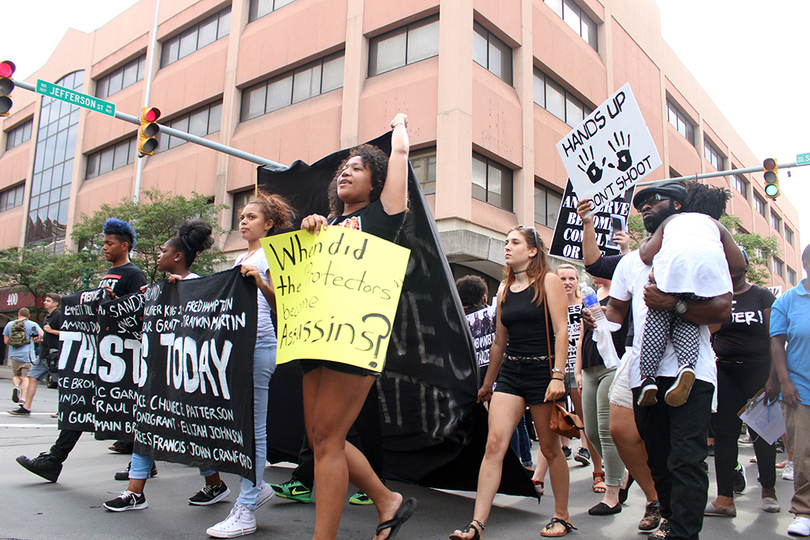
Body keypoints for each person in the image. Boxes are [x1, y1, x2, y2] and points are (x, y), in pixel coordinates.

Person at [298, 113, 416, 540]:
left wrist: (399, 125)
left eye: (358, 167)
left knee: (329, 438)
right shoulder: (322, 226)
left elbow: (400, 152)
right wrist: (311, 230)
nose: (346, 172)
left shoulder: (385, 215)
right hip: (314, 338)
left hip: (355, 338)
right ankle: (387, 501)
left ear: (376, 181)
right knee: (320, 438)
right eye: (343, 169)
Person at [603, 181, 732, 540]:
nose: (644, 207)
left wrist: (674, 305)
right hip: (645, 375)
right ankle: (672, 519)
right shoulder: (631, 262)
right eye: (640, 204)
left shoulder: (704, 249)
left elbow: (721, 314)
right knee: (658, 457)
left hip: (694, 372)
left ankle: (684, 533)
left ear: (679, 207)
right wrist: (596, 318)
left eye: (653, 200)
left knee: (686, 458)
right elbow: (616, 313)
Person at [450, 225, 574, 539]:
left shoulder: (548, 281)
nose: (507, 247)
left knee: (549, 448)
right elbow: (498, 343)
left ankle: (561, 515)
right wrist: (487, 384)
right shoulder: (504, 288)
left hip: (543, 373)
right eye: (506, 242)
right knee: (494, 446)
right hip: (510, 373)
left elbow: (562, 330)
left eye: (515, 242)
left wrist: (558, 375)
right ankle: (476, 524)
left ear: (532, 250)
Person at [16, 218, 146, 482]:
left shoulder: (134, 274)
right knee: (81, 404)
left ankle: (141, 461)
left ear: (125, 245)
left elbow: (137, 313)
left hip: (119, 357)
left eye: (109, 243)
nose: (104, 248)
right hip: (98, 354)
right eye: (103, 243)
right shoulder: (108, 273)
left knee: (124, 406)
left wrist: (113, 302)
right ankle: (54, 460)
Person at [102, 219, 217, 511]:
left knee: (192, 434)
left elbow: (206, 330)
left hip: (186, 376)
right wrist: (127, 304)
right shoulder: (156, 289)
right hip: (157, 373)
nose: (159, 256)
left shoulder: (198, 285)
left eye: (163, 251)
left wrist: (180, 296)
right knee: (148, 426)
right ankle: (135, 492)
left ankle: (215, 484)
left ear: (177, 256)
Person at [201, 194, 294, 537]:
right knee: (241, 424)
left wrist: (260, 282)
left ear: (268, 223)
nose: (243, 222)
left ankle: (247, 507)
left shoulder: (275, 255)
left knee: (253, 426)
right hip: (239, 346)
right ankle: (257, 487)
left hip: (261, 343)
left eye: (251, 216)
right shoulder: (243, 255)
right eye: (241, 216)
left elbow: (285, 303)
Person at [576, 196, 661, 533]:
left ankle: (618, 493)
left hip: (629, 364)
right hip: (618, 362)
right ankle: (638, 485)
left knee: (629, 433)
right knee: (600, 431)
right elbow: (595, 263)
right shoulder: (623, 269)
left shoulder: (661, 259)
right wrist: (587, 224)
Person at [636, 187, 744, 408]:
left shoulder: (672, 220)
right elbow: (740, 264)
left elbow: (648, 255)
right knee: (689, 318)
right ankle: (687, 366)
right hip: (703, 276)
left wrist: (641, 243)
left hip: (671, 273)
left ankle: (648, 378)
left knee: (657, 321)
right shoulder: (717, 225)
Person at [704, 248, 779, 517]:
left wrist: (774, 377)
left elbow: (775, 338)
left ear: (746, 267)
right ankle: (725, 498)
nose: (730, 269)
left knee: (762, 433)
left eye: (735, 264)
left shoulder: (762, 296)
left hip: (759, 373)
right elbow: (707, 332)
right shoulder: (716, 298)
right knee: (724, 435)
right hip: (725, 372)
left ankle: (768, 490)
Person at [576, 275, 629, 515]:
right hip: (589, 367)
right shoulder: (588, 296)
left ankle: (612, 493)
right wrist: (577, 370)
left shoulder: (622, 296)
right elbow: (581, 337)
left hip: (612, 365)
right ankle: (624, 470)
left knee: (607, 431)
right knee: (591, 431)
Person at [767, 244, 810, 537]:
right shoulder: (790, 300)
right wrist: (784, 381)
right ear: (806, 264)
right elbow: (777, 342)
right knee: (804, 453)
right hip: (800, 389)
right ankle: (805, 511)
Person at [13, 294, 61, 416]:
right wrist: (39, 340)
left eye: (48, 301)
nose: (45, 302)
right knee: (32, 377)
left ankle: (63, 410)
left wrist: (51, 331)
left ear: (55, 304)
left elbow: (68, 333)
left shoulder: (59, 316)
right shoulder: (47, 317)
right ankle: (26, 407)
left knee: (61, 383)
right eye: (45, 300)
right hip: (44, 353)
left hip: (54, 355)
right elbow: (48, 336)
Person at [5, 307, 44, 414]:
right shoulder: (33, 324)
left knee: (17, 375)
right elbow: (42, 335)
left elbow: (6, 341)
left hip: (14, 355)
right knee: (26, 377)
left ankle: (16, 386)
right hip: (28, 355)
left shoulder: (10, 324)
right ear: (28, 316)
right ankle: (22, 398)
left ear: (18, 314)